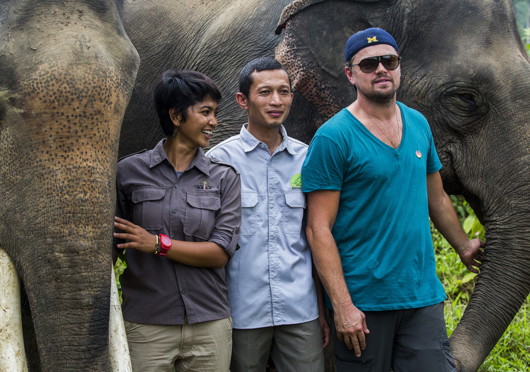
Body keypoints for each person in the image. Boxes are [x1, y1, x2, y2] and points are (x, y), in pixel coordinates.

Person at [301, 28, 484, 371]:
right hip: (364, 300)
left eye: (389, 60)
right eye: (369, 64)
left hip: (420, 293)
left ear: (400, 67)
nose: (381, 69)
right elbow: (317, 229)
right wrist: (341, 306)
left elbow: (437, 197)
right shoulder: (333, 137)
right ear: (350, 74)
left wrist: (463, 246)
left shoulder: (417, 123)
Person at [112, 70, 241, 372]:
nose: (214, 122)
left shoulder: (225, 178)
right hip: (146, 324)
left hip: (209, 324)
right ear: (176, 116)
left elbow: (219, 253)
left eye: (215, 113)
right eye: (205, 112)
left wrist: (157, 244)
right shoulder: (128, 173)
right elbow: (110, 248)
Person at [207, 57, 328, 372]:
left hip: (300, 311)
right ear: (242, 100)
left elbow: (317, 236)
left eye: (284, 92)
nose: (276, 101)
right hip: (241, 311)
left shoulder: (308, 158)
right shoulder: (218, 161)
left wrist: (323, 310)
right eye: (265, 92)